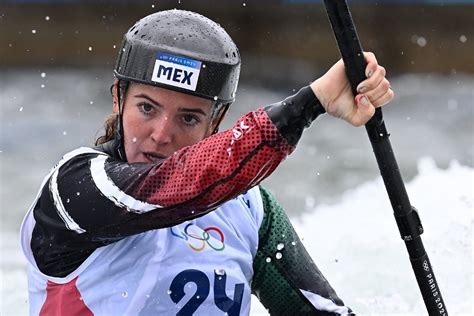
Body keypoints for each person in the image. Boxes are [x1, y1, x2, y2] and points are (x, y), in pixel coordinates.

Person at [20, 9, 393, 316]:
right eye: (147, 108)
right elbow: (171, 188)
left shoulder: (250, 209)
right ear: (118, 97)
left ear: (215, 122)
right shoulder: (73, 190)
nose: (162, 134)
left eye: (188, 118)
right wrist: (310, 103)